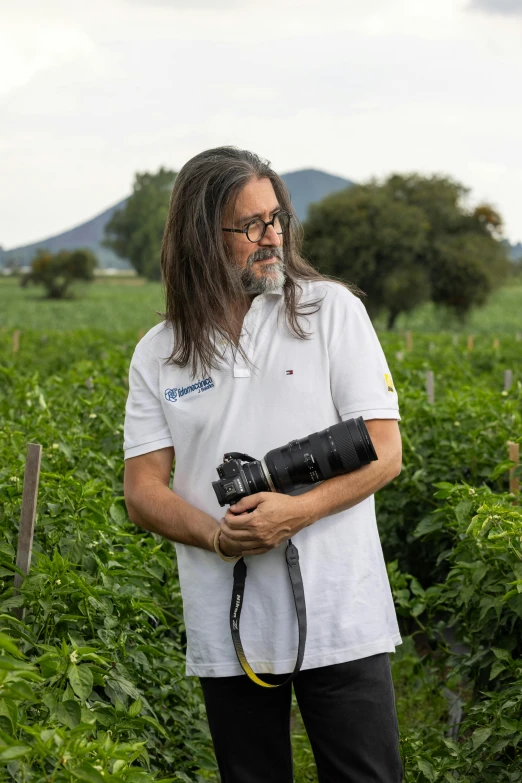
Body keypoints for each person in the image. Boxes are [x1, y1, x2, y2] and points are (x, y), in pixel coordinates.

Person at [123, 146, 404, 783]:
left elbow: (386, 453)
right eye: (250, 226)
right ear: (200, 236)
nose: (270, 237)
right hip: (229, 623)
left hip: (342, 607)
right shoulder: (160, 351)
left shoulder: (330, 311)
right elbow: (143, 490)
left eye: (274, 218)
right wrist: (220, 536)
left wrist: (295, 512)